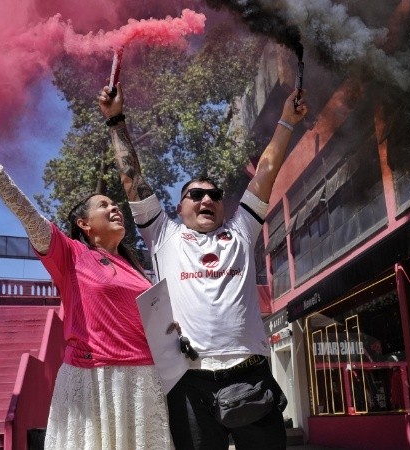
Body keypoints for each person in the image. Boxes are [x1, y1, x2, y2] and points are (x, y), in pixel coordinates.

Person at [98, 82, 307, 450]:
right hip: (189, 382)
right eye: (195, 194)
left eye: (214, 195)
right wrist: (116, 121)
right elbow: (133, 180)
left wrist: (287, 121)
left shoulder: (242, 230)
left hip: (251, 378)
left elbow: (267, 172)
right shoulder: (162, 235)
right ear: (180, 208)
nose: (206, 199)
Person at [0, 141, 173, 449]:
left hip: (143, 380)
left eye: (115, 205)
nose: (115, 208)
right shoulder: (71, 255)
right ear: (83, 224)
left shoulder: (137, 268)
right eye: (104, 205)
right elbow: (30, 217)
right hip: (91, 380)